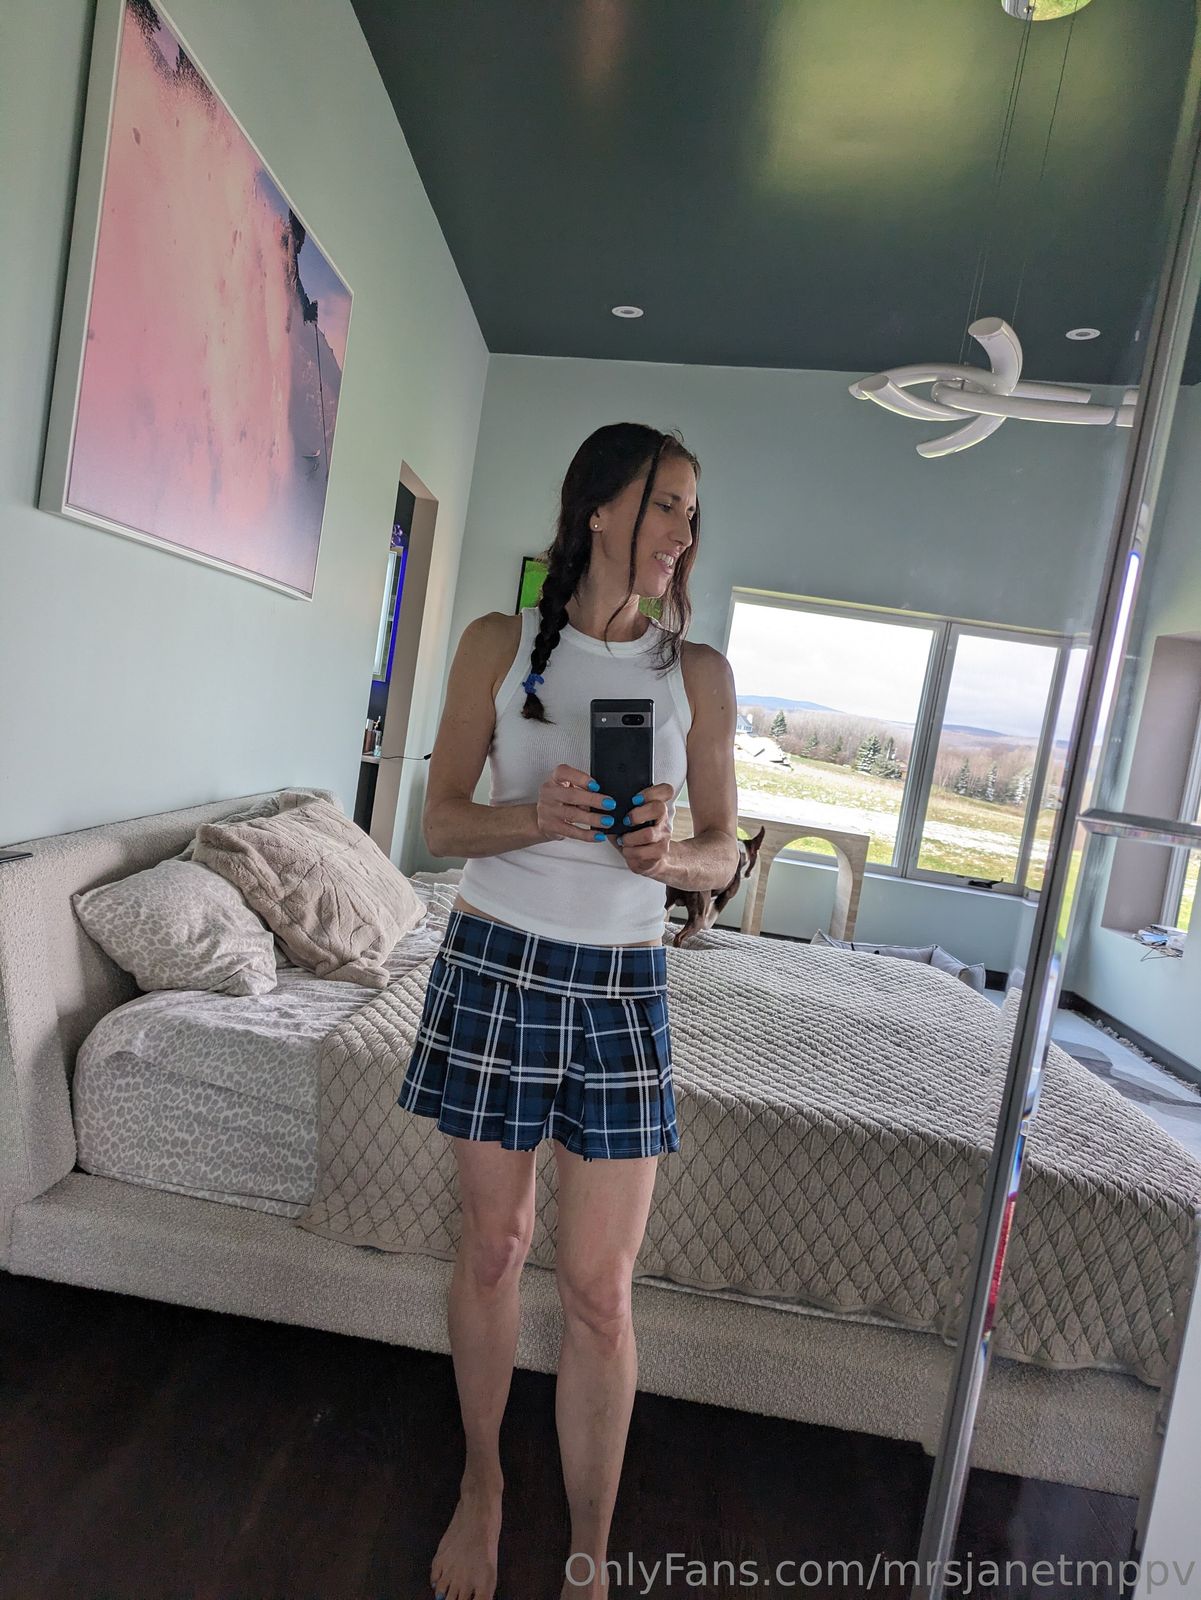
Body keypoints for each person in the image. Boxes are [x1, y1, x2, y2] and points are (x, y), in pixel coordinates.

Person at [398, 422, 740, 1600]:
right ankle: (483, 1485)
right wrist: (529, 818)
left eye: (691, 511)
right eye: (665, 504)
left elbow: (723, 850)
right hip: (495, 961)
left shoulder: (697, 674)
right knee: (495, 1246)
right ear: (598, 507)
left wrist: (669, 857)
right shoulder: (497, 644)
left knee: (599, 1287)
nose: (683, 531)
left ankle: (589, 1549)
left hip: (623, 985)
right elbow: (440, 821)